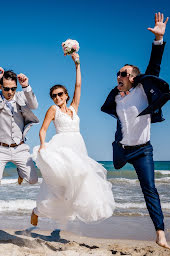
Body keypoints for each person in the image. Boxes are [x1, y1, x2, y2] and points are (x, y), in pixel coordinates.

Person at [101, 13, 170, 249]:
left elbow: (154, 66)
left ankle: (160, 233)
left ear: (134, 78)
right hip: (122, 149)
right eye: (118, 73)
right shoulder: (115, 96)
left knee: (150, 190)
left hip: (143, 151)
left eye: (124, 74)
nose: (119, 76)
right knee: (112, 167)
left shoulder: (142, 91)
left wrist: (159, 39)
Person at [31, 52, 115, 226]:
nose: (57, 97)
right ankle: (37, 211)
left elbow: (78, 85)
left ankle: (62, 211)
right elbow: (43, 129)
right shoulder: (53, 110)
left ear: (66, 95)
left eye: (60, 94)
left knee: (78, 181)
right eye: (54, 95)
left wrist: (77, 64)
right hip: (61, 146)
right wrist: (41, 146)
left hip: (77, 144)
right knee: (60, 184)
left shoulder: (74, 107)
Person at [0, 67, 39, 189]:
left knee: (33, 180)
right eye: (6, 89)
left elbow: (34, 105)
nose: (10, 92)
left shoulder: (21, 95)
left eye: (13, 88)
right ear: (1, 87)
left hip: (20, 147)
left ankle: (21, 171)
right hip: (0, 148)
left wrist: (26, 86)